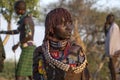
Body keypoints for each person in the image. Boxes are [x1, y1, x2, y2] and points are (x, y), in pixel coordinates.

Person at [33, 8, 89, 80]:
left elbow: (86, 77)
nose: (69, 28)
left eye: (70, 23)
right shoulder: (41, 52)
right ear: (51, 28)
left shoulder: (76, 50)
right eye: (64, 24)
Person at [0, 1, 35, 80]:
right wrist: (3, 32)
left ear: (19, 10)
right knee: (30, 74)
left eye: (15, 9)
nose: (15, 11)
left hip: (28, 49)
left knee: (19, 74)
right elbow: (17, 31)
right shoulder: (25, 20)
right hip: (28, 48)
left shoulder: (26, 20)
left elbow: (29, 36)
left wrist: (17, 44)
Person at [104, 13, 120, 80]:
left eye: (108, 19)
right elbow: (107, 36)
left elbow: (114, 41)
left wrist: (114, 53)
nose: (107, 20)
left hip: (115, 53)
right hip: (112, 54)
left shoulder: (114, 27)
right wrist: (105, 26)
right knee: (112, 70)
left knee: (114, 71)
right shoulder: (111, 27)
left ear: (112, 19)